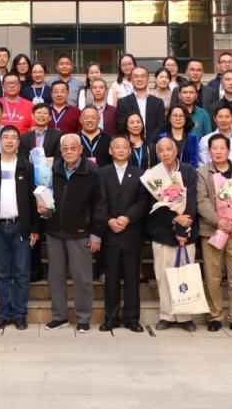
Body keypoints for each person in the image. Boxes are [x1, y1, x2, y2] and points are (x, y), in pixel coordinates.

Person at [40, 134, 106, 332]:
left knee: (82, 278)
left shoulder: (92, 170)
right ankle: (59, 316)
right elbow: (45, 195)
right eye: (65, 148)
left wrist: (96, 234)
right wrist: (42, 208)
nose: (69, 151)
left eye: (73, 148)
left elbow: (100, 204)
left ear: (80, 149)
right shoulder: (52, 169)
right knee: (55, 277)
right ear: (60, 151)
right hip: (54, 231)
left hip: (80, 232)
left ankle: (83, 318)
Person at [0, 125, 40, 330]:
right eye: (5, 137)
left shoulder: (27, 166)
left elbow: (34, 199)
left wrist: (35, 228)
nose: (9, 141)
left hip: (21, 227)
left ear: (18, 142)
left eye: (13, 137)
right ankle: (3, 314)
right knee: (1, 273)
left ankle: (19, 314)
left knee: (21, 273)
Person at [197, 134, 232, 334]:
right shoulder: (202, 173)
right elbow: (202, 201)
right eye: (214, 148)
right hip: (212, 230)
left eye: (222, 148)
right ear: (209, 151)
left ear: (229, 150)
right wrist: (219, 221)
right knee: (213, 276)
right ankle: (215, 316)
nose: (218, 151)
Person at [148, 136, 198, 331]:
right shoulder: (153, 174)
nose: (165, 153)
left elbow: (192, 201)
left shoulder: (188, 171)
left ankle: (185, 317)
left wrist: (182, 227)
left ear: (176, 151)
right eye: (161, 150)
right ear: (157, 153)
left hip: (186, 231)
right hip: (162, 232)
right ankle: (167, 315)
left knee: (185, 276)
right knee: (163, 276)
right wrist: (174, 218)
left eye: (168, 149)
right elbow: (152, 204)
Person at [98, 135, 147, 333]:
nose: (120, 150)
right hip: (110, 234)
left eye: (124, 147)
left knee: (132, 279)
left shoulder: (140, 173)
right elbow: (98, 201)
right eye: (116, 147)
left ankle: (132, 318)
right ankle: (111, 318)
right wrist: (109, 220)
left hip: (132, 232)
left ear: (129, 151)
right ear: (110, 151)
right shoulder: (102, 173)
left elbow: (143, 202)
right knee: (111, 279)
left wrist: (127, 218)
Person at [116, 66, 166, 139]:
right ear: (131, 79)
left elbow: (161, 125)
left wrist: (151, 142)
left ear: (148, 79)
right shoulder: (122, 102)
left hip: (153, 143)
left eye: (143, 76)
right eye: (136, 76)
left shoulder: (158, 102)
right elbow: (121, 126)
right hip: (131, 143)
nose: (140, 79)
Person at [200, 105, 232, 172]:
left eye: (227, 117)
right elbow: (202, 165)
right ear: (214, 119)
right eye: (220, 117)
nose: (224, 120)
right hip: (213, 177)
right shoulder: (205, 140)